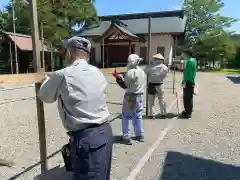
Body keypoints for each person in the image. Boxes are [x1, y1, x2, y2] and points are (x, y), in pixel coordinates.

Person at [38, 36, 113, 180]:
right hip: (105, 132)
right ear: (87, 54)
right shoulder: (98, 72)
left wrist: (48, 79)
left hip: (86, 139)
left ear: (69, 53)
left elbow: (45, 96)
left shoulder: (63, 74)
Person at [114, 54, 146, 145]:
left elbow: (125, 85)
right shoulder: (141, 71)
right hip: (139, 95)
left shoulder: (130, 72)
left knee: (126, 116)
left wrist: (118, 78)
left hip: (130, 96)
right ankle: (139, 134)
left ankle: (126, 136)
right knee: (138, 116)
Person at [145, 53, 168, 118]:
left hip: (151, 84)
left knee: (151, 101)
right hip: (160, 84)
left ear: (155, 59)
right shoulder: (164, 67)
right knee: (161, 99)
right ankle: (164, 113)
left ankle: (151, 114)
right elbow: (165, 75)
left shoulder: (150, 66)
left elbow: (145, 71)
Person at [180, 49, 197, 119]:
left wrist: (184, 81)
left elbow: (188, 73)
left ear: (187, 54)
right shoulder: (193, 61)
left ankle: (188, 113)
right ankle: (188, 111)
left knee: (187, 98)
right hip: (191, 81)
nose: (182, 55)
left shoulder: (190, 62)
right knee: (188, 97)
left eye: (183, 54)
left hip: (188, 81)